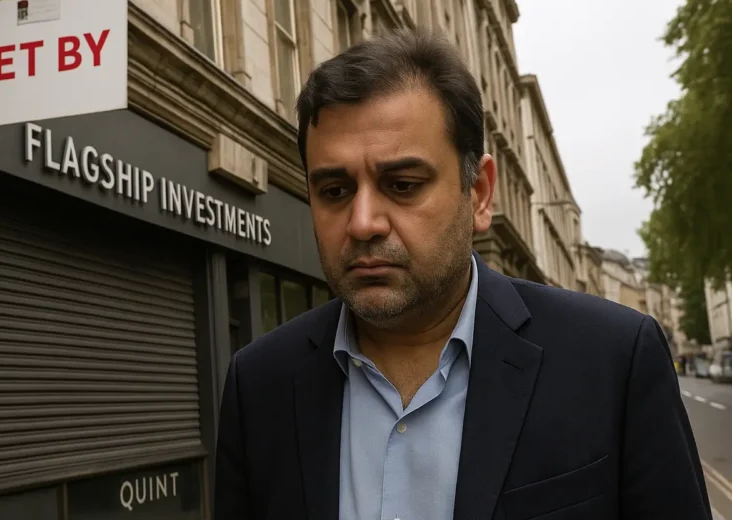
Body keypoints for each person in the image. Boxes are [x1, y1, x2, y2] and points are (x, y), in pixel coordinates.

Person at [213, 29, 712, 520]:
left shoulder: (613, 361)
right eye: (335, 191)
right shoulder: (259, 386)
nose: (363, 223)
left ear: (479, 194)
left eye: (402, 184)